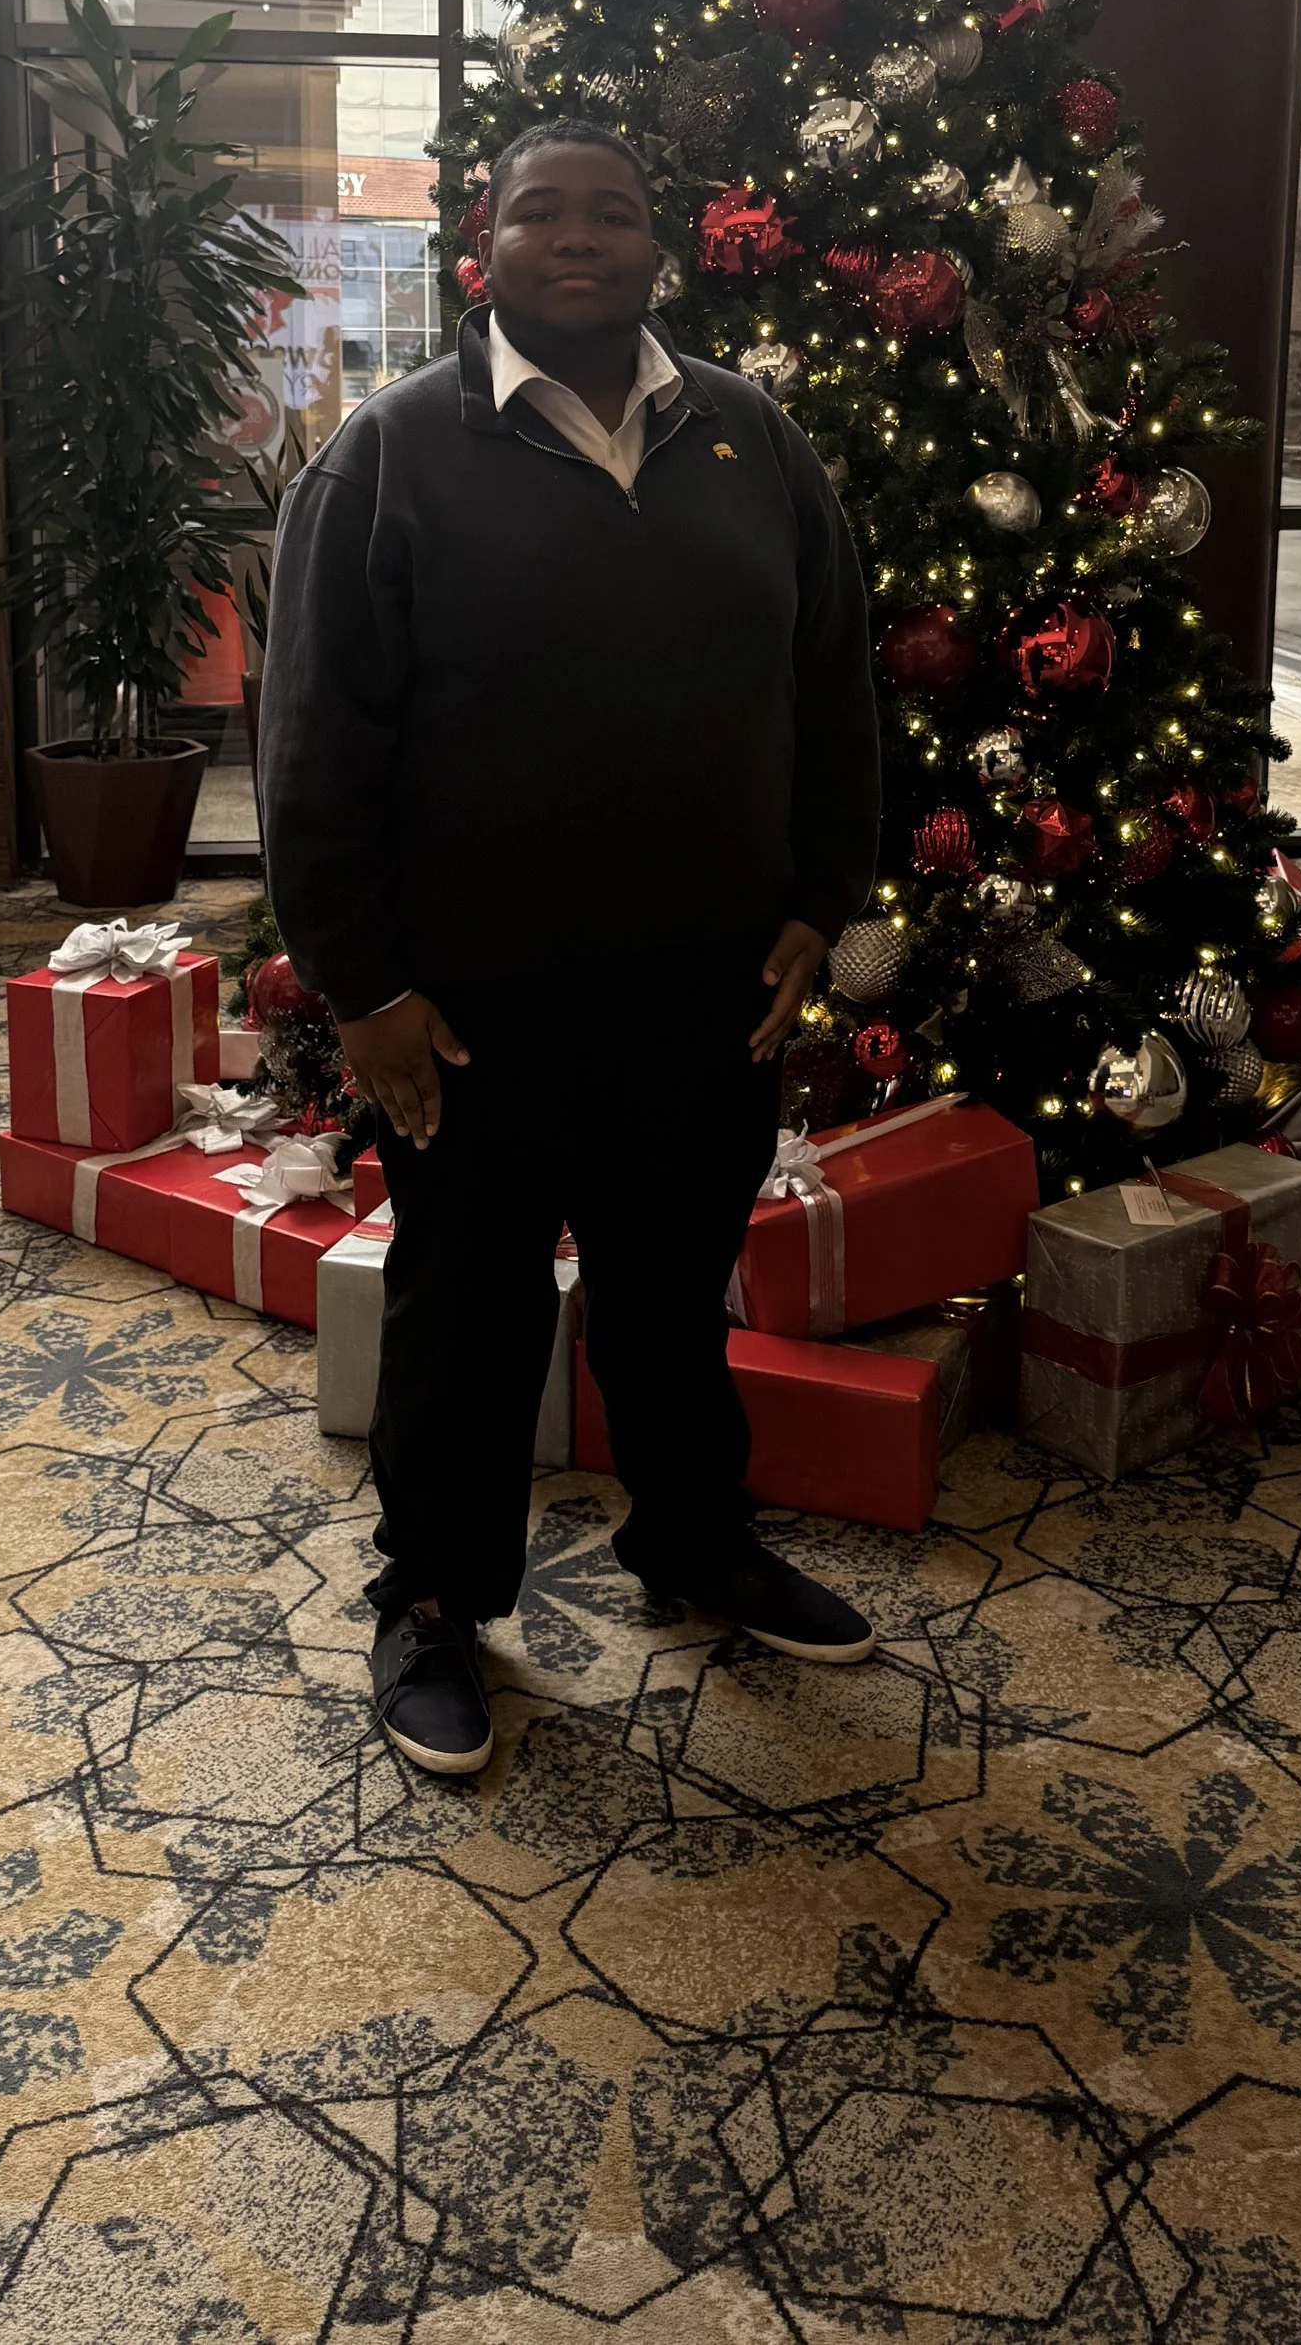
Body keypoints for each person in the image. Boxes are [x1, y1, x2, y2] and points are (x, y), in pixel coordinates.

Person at [257, 120, 884, 1774]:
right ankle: (438, 1606)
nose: (580, 234)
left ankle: (693, 1542)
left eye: (614, 208)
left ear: (659, 245)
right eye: (545, 210)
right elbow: (314, 745)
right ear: (487, 244)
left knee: (672, 1299)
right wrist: (366, 988)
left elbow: (834, 690)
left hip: (705, 991)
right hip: (470, 1013)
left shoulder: (753, 441)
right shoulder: (387, 457)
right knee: (465, 1318)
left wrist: (821, 899)